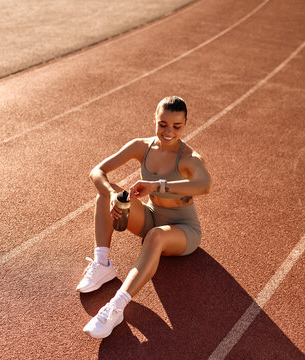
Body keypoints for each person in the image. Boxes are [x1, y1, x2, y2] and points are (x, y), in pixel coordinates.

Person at [77, 96, 211, 338]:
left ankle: (115, 306)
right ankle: (103, 263)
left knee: (156, 236)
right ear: (155, 119)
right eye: (163, 124)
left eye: (177, 126)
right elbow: (97, 171)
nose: (168, 131)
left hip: (183, 230)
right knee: (109, 195)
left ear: (185, 123)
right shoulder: (141, 146)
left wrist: (157, 186)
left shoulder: (190, 157)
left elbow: (204, 185)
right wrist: (110, 196)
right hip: (151, 217)